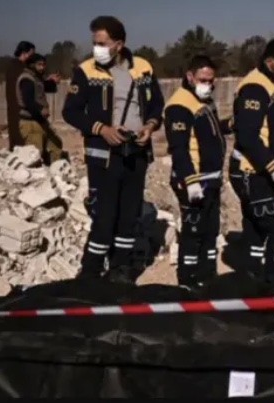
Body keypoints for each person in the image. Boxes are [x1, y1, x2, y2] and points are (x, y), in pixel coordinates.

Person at [62, 15, 165, 283]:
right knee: (104, 216)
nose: (97, 48)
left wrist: (150, 126)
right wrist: (102, 129)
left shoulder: (142, 68)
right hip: (103, 157)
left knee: (129, 215)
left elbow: (157, 105)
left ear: (118, 45)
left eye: (102, 43)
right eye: (95, 42)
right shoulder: (86, 71)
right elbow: (70, 111)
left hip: (136, 152)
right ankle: (91, 271)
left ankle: (121, 269)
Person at [229, 39, 274, 293]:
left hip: (262, 171)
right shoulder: (255, 88)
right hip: (253, 172)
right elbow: (247, 136)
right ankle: (272, 288)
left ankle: (251, 283)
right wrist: (273, 168)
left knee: (257, 229)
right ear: (269, 62)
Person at [164, 55, 232, 288]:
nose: (208, 85)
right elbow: (179, 148)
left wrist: (229, 125)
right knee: (193, 233)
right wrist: (190, 181)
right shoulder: (179, 105)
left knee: (210, 231)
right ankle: (188, 282)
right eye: (203, 80)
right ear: (190, 77)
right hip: (193, 182)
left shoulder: (204, 100)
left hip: (211, 180)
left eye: (211, 80)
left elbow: (208, 131)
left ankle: (207, 277)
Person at [5, 41, 60, 151]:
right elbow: (31, 91)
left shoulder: (20, 69)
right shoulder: (19, 70)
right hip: (24, 116)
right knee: (30, 150)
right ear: (24, 53)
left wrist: (49, 81)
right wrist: (40, 109)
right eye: (32, 54)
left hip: (30, 115)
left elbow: (37, 84)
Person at [16, 53, 64, 165]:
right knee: (35, 155)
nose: (42, 67)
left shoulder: (36, 78)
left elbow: (42, 87)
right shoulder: (26, 79)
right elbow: (28, 101)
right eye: (39, 65)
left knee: (56, 145)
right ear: (32, 65)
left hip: (40, 121)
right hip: (30, 122)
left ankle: (56, 170)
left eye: (43, 65)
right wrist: (40, 109)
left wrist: (53, 82)